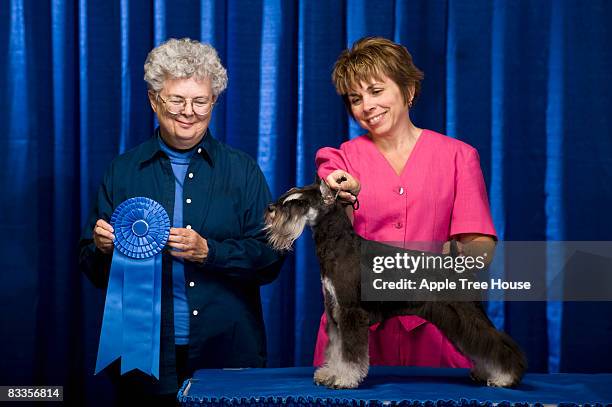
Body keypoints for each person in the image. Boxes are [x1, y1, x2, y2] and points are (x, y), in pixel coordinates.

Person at [79, 38, 283, 405]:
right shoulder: (123, 171)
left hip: (227, 357)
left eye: (200, 101)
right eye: (176, 99)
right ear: (154, 100)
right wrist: (101, 247)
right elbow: (92, 270)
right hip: (143, 363)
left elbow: (271, 259)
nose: (188, 111)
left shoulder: (243, 171)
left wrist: (211, 252)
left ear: (213, 102)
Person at [313, 37, 497, 368]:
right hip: (357, 337)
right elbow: (333, 219)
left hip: (438, 334)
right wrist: (341, 193)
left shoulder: (460, 157)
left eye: (376, 90)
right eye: (356, 98)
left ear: (408, 90)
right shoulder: (337, 158)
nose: (366, 105)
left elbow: (479, 246)